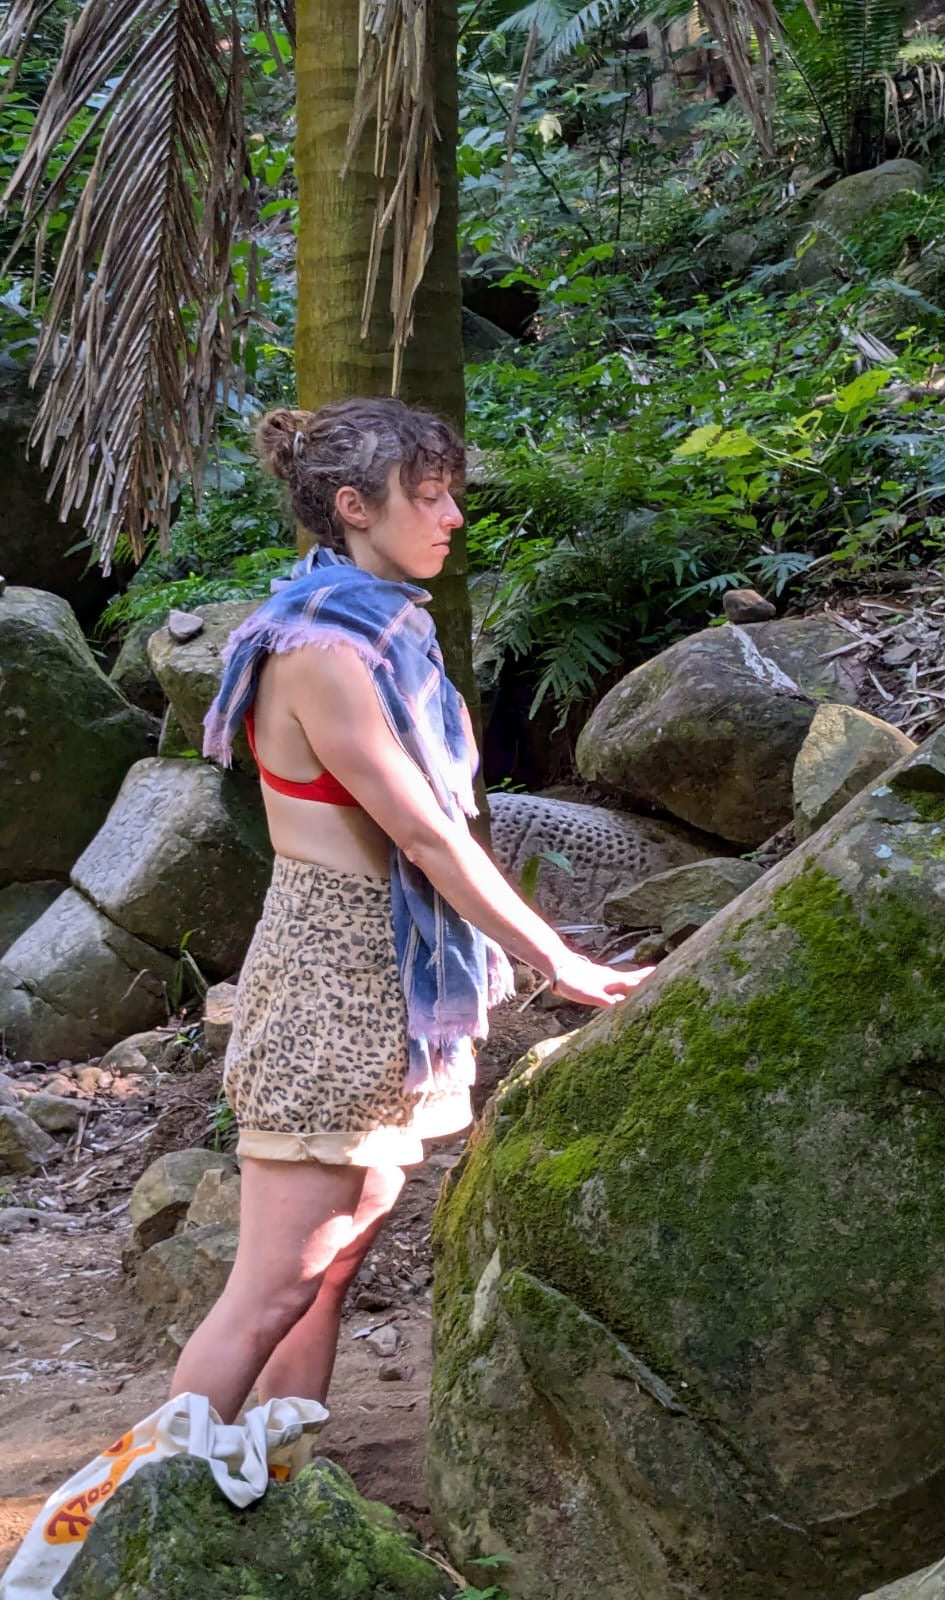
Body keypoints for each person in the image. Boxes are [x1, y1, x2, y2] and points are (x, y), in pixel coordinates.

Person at [170, 398, 652, 1423]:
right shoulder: (321, 652)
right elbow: (428, 836)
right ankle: (123, 1530)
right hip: (328, 986)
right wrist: (552, 958)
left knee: (327, 1272)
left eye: (450, 496)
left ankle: (275, 1487)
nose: (452, 519)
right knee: (271, 1289)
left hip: (374, 983)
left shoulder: (383, 628)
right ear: (354, 506)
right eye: (427, 498)